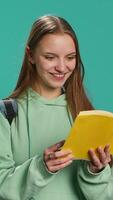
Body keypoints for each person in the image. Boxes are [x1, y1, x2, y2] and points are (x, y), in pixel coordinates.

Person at [0, 15, 112, 200]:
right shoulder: (6, 114)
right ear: (31, 55)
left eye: (70, 57)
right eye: (50, 57)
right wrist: (42, 167)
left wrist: (95, 172)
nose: (62, 67)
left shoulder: (88, 117)